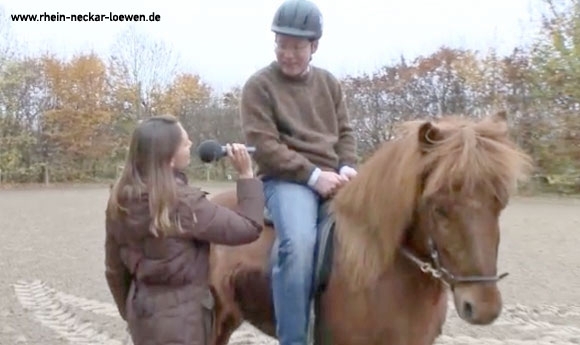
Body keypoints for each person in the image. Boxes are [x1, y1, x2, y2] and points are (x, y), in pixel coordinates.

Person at [239, 0, 358, 344]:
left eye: (296, 46)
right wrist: (312, 176)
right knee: (299, 244)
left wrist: (347, 167)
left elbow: (346, 132)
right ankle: (293, 339)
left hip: (335, 177)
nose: (287, 53)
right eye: (282, 44)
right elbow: (264, 146)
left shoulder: (329, 84)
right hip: (288, 180)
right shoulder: (258, 86)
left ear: (314, 46)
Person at [104, 114, 264, 345]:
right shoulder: (184, 203)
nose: (191, 145)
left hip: (143, 317)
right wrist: (247, 175)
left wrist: (131, 314)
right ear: (169, 157)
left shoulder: (119, 200)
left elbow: (115, 271)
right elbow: (249, 228)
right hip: (184, 324)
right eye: (185, 142)